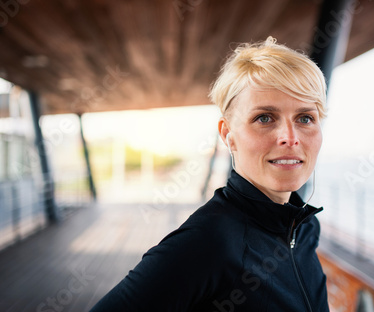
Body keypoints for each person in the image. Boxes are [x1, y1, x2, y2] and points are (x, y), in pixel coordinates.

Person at [90, 36, 329, 312]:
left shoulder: (306, 228)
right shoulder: (208, 241)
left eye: (305, 118)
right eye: (264, 118)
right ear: (229, 135)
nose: (290, 137)